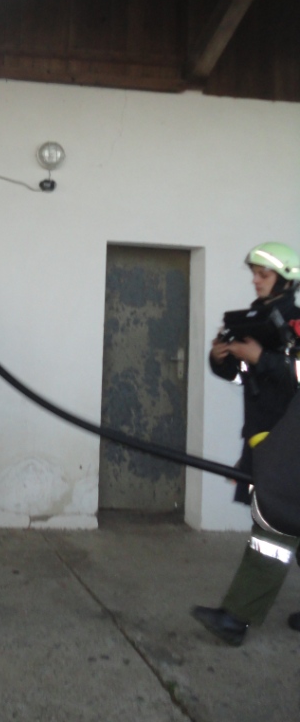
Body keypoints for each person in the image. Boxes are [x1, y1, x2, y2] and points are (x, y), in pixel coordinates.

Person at [191, 242, 300, 646]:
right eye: (253, 273)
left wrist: (262, 358)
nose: (255, 280)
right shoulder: (257, 321)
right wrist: (223, 358)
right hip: (267, 439)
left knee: (273, 526)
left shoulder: (296, 322)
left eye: (263, 274)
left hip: (290, 443)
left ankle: (236, 619)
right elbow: (245, 378)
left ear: (286, 280)